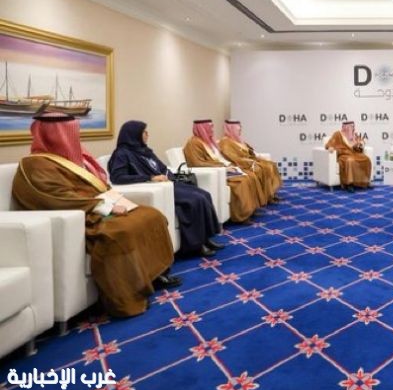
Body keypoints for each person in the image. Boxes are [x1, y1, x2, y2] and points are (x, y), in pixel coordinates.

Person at [12, 113, 180, 318]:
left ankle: (155, 275)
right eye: (70, 133)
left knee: (152, 216)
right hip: (85, 215)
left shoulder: (73, 159)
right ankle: (128, 296)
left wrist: (114, 200)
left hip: (100, 206)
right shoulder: (34, 164)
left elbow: (97, 185)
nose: (75, 138)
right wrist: (103, 206)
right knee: (121, 232)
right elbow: (55, 198)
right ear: (52, 135)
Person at [108, 120, 224, 258]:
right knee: (195, 200)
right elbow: (117, 177)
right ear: (134, 135)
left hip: (167, 184)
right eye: (144, 132)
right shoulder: (122, 154)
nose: (147, 134)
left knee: (204, 194)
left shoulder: (145, 151)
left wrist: (170, 176)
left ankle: (206, 238)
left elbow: (162, 168)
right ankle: (197, 245)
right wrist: (150, 177)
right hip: (155, 187)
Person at [183, 119, 261, 223]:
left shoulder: (208, 142)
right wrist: (223, 167)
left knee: (250, 176)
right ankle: (242, 216)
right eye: (210, 127)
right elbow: (197, 163)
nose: (212, 129)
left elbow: (219, 157)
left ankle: (251, 210)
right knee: (241, 182)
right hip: (216, 172)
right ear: (202, 128)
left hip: (223, 169)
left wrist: (229, 165)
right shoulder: (193, 143)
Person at [219, 120, 283, 204]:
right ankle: (267, 196)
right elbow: (234, 158)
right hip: (241, 164)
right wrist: (249, 162)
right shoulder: (225, 142)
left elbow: (249, 151)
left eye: (240, 127)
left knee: (271, 165)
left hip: (250, 161)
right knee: (265, 168)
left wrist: (255, 156)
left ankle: (270, 194)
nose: (240, 129)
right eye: (238, 128)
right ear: (231, 129)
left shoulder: (238, 140)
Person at [324, 121, 372, 192]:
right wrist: (330, 147)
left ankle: (365, 181)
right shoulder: (338, 134)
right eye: (350, 127)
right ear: (345, 127)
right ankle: (350, 184)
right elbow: (329, 144)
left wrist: (359, 144)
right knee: (350, 161)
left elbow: (360, 143)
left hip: (355, 154)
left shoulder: (354, 135)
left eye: (352, 127)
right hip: (344, 155)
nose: (352, 128)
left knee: (366, 159)